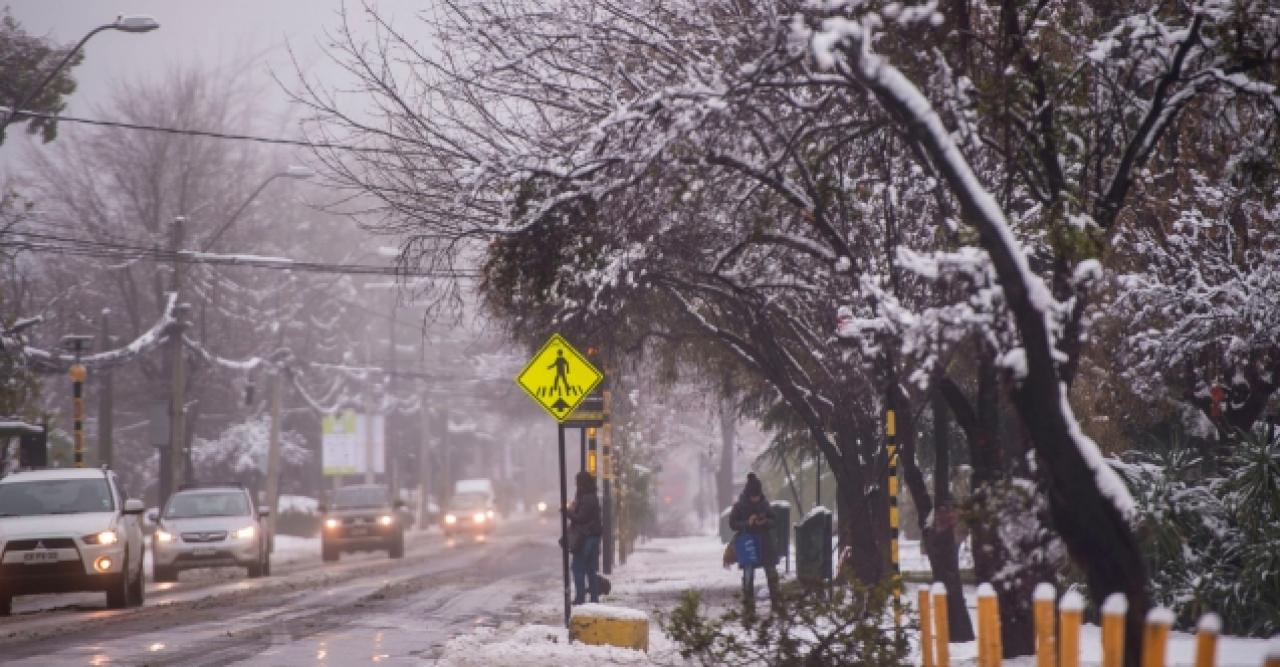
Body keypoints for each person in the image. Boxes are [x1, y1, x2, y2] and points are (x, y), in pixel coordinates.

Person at [729, 472, 782, 618]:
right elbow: (732, 524)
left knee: (771, 573)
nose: (755, 498)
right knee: (748, 574)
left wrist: (765, 522)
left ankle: (777, 604)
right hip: (748, 545)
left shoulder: (764, 504)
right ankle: (749, 607)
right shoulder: (740, 506)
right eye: (753, 496)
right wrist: (747, 523)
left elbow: (774, 520)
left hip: (765, 544)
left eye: (757, 496)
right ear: (748, 494)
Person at [564, 470, 603, 604]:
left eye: (577, 481)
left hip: (586, 537)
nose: (575, 484)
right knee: (590, 570)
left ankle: (580, 598)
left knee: (577, 568)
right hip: (593, 537)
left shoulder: (587, 497)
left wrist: (568, 513)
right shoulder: (591, 496)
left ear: (582, 483)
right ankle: (594, 599)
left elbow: (581, 518)